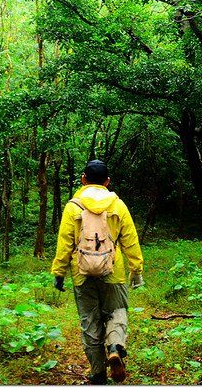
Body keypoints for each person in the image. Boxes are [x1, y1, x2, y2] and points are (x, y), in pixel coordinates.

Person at [51, 159, 144, 384]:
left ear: (83, 179)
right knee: (117, 310)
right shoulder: (118, 205)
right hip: (114, 271)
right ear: (107, 181)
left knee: (89, 321)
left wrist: (59, 272)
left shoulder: (73, 206)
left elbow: (65, 243)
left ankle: (98, 373)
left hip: (82, 273)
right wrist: (136, 269)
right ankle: (114, 346)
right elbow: (130, 240)